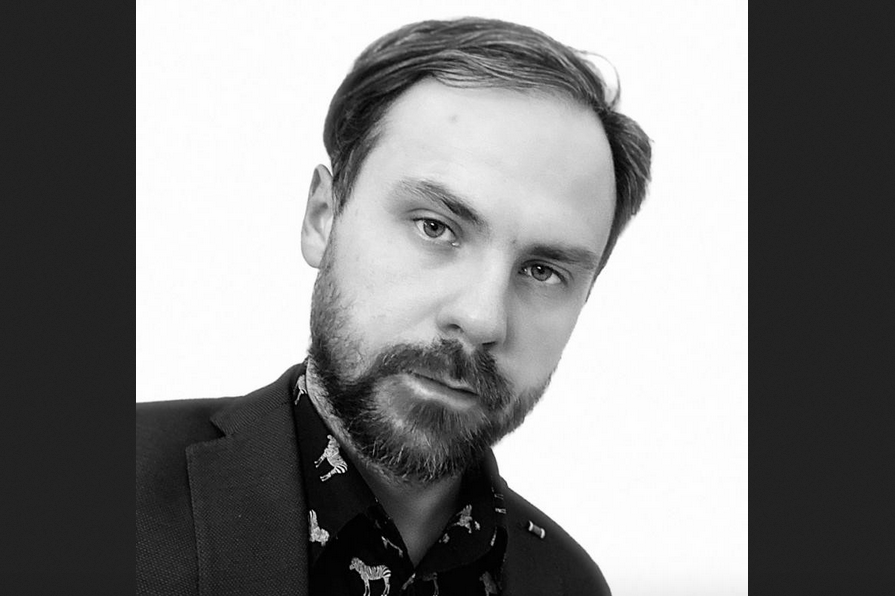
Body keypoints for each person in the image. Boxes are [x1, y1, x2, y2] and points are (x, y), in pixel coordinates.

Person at [136, 16, 651, 596]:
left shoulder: (570, 585)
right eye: (435, 227)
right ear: (323, 217)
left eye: (542, 271)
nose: (482, 318)